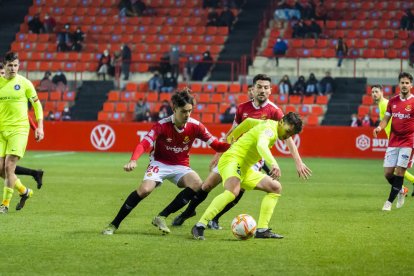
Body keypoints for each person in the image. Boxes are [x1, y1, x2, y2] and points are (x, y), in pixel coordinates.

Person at [172, 74, 311, 229]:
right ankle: (188, 213)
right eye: (259, 87)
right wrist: (219, 152)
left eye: (266, 88)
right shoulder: (242, 108)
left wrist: (298, 162)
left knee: (237, 190)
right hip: (234, 154)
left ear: (270, 91)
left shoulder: (275, 111)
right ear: (253, 89)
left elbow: (287, 138)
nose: (262, 90)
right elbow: (233, 131)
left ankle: (214, 219)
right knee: (207, 185)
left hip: (253, 161)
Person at [102, 89, 231, 235]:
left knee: (197, 185)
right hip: (160, 163)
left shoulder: (196, 126)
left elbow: (217, 145)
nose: (187, 115)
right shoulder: (162, 125)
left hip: (181, 165)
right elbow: (144, 143)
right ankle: (114, 224)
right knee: (144, 190)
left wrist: (234, 144)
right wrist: (133, 160)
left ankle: (161, 216)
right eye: (183, 111)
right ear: (174, 108)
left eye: (190, 111)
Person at [191, 112, 304, 240]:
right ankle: (200, 225)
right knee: (233, 191)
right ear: (282, 122)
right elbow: (261, 145)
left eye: (291, 134)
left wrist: (231, 137)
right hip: (232, 160)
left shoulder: (268, 123)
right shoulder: (269, 130)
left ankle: (262, 230)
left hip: (244, 168)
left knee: (275, 187)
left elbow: (249, 121)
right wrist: (273, 163)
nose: (287, 136)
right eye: (288, 131)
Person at [0, 52, 44, 214]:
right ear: (4, 66)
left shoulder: (25, 83)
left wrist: (39, 127)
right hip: (1, 131)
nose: (13, 68)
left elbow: (37, 105)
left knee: (9, 166)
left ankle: (4, 205)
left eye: (15, 65)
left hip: (19, 130)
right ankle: (25, 192)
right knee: (0, 169)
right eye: (10, 65)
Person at [373, 72, 414, 211]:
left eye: (407, 83)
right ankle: (401, 190)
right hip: (393, 141)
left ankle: (388, 202)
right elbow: (386, 119)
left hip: (408, 142)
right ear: (399, 85)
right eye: (402, 83)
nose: (404, 85)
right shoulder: (393, 101)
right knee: (388, 173)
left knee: (400, 171)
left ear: (411, 85)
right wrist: (379, 127)